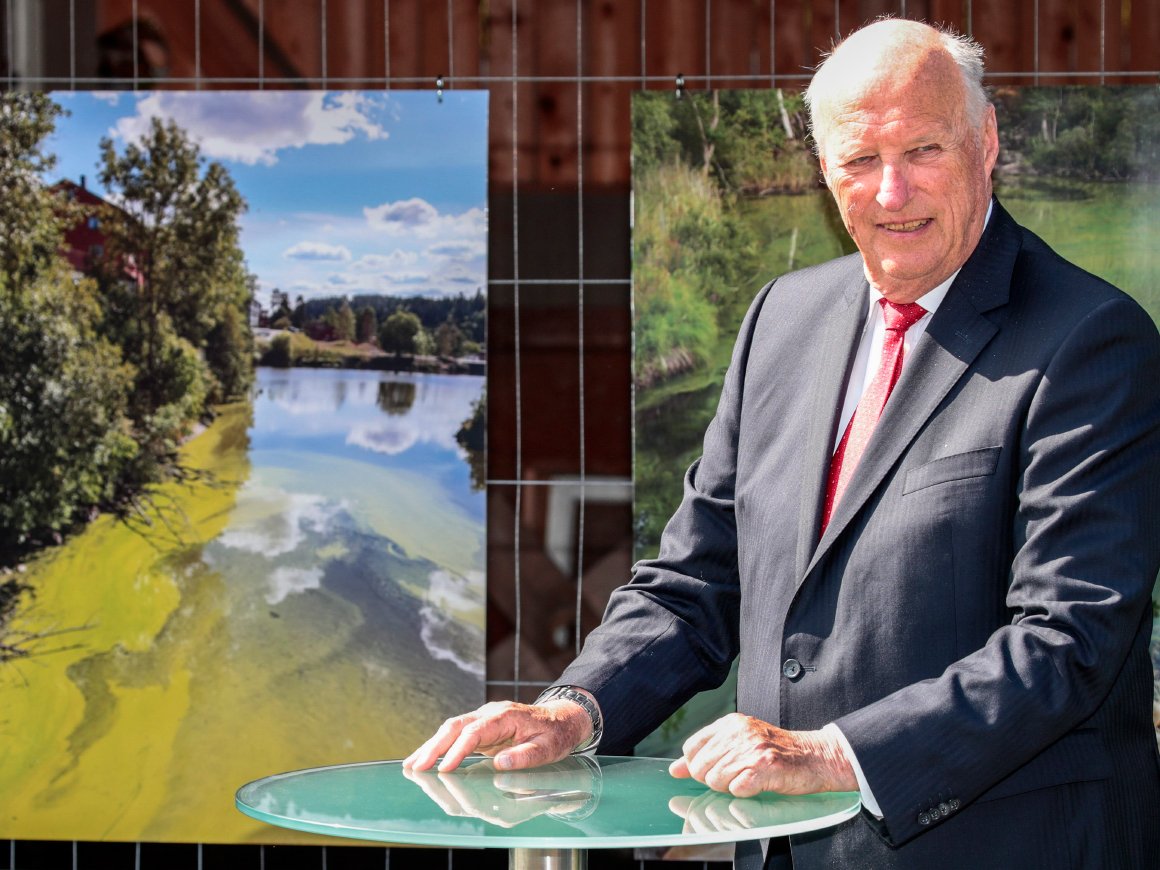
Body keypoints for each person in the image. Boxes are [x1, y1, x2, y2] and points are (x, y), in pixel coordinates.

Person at [406, 18, 1160, 868]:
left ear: (985, 141)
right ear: (823, 169)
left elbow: (1068, 640)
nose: (891, 193)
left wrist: (835, 754)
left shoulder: (1092, 339)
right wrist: (575, 709)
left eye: (923, 150)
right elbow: (698, 581)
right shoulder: (781, 318)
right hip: (777, 848)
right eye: (860, 160)